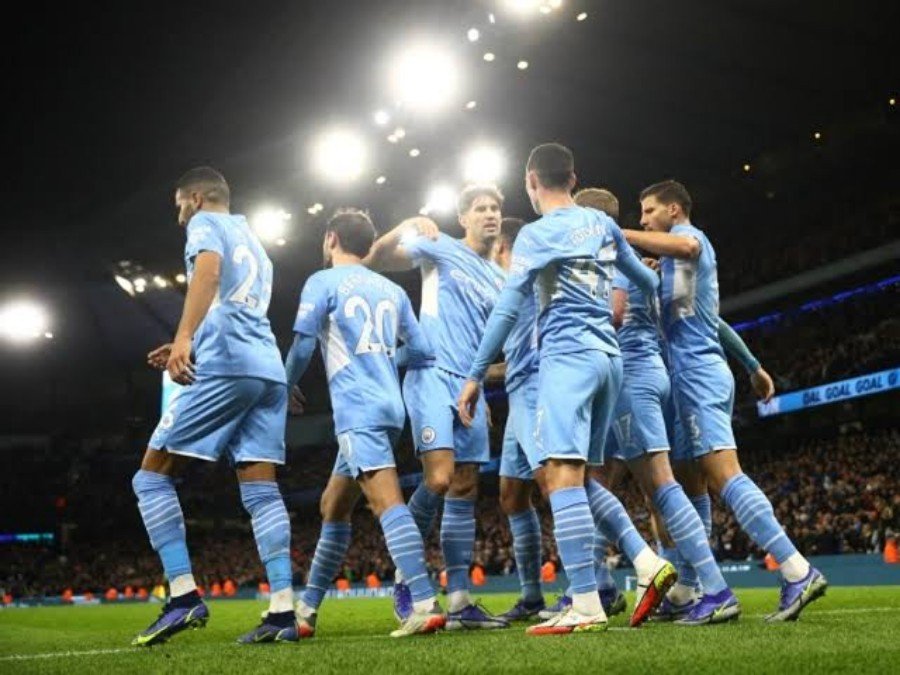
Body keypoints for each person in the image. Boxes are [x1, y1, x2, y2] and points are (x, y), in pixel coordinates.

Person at [458, 144, 676, 635]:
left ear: (531, 181)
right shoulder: (601, 225)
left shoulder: (534, 235)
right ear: (574, 178)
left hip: (567, 362)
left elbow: (509, 308)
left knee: (562, 476)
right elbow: (643, 277)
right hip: (610, 362)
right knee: (581, 478)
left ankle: (585, 601)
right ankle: (639, 567)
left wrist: (474, 373)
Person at [624, 179, 827, 622]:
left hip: (698, 374)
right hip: (686, 378)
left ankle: (796, 568)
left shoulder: (691, 240)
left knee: (722, 473)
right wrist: (753, 366)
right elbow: (713, 321)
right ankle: (695, 588)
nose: (642, 220)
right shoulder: (671, 269)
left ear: (674, 210)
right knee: (689, 480)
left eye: (649, 211)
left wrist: (617, 235)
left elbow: (689, 252)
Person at [134, 167, 295, 645]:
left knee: (150, 475)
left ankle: (182, 595)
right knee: (262, 491)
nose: (179, 213)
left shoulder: (205, 224)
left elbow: (209, 272)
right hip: (268, 369)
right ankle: (283, 612)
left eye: (179, 203)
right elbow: (236, 306)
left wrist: (185, 337)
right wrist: (189, 341)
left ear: (198, 197)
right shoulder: (256, 242)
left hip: (230, 365)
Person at [285, 209, 445, 638]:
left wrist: (284, 387)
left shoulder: (322, 282)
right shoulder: (391, 289)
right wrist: (383, 361)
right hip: (391, 408)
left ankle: (425, 603)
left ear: (331, 238)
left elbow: (302, 345)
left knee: (385, 503)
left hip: (357, 409)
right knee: (333, 506)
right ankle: (306, 610)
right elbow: (424, 350)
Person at [363, 186, 509, 630]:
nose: (490, 215)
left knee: (464, 486)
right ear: (463, 218)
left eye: (496, 209)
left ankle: (461, 599)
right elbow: (375, 259)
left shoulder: (501, 280)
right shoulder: (439, 246)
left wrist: (479, 384)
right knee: (440, 478)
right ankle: (408, 579)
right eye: (481, 209)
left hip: (468, 387)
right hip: (430, 375)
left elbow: (500, 350)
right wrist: (405, 224)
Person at [489, 217, 550, 622]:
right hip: (518, 390)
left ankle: (598, 584)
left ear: (500, 248)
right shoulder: (509, 286)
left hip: (539, 388)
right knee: (512, 495)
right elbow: (509, 358)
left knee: (556, 484)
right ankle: (531, 596)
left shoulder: (524, 276)